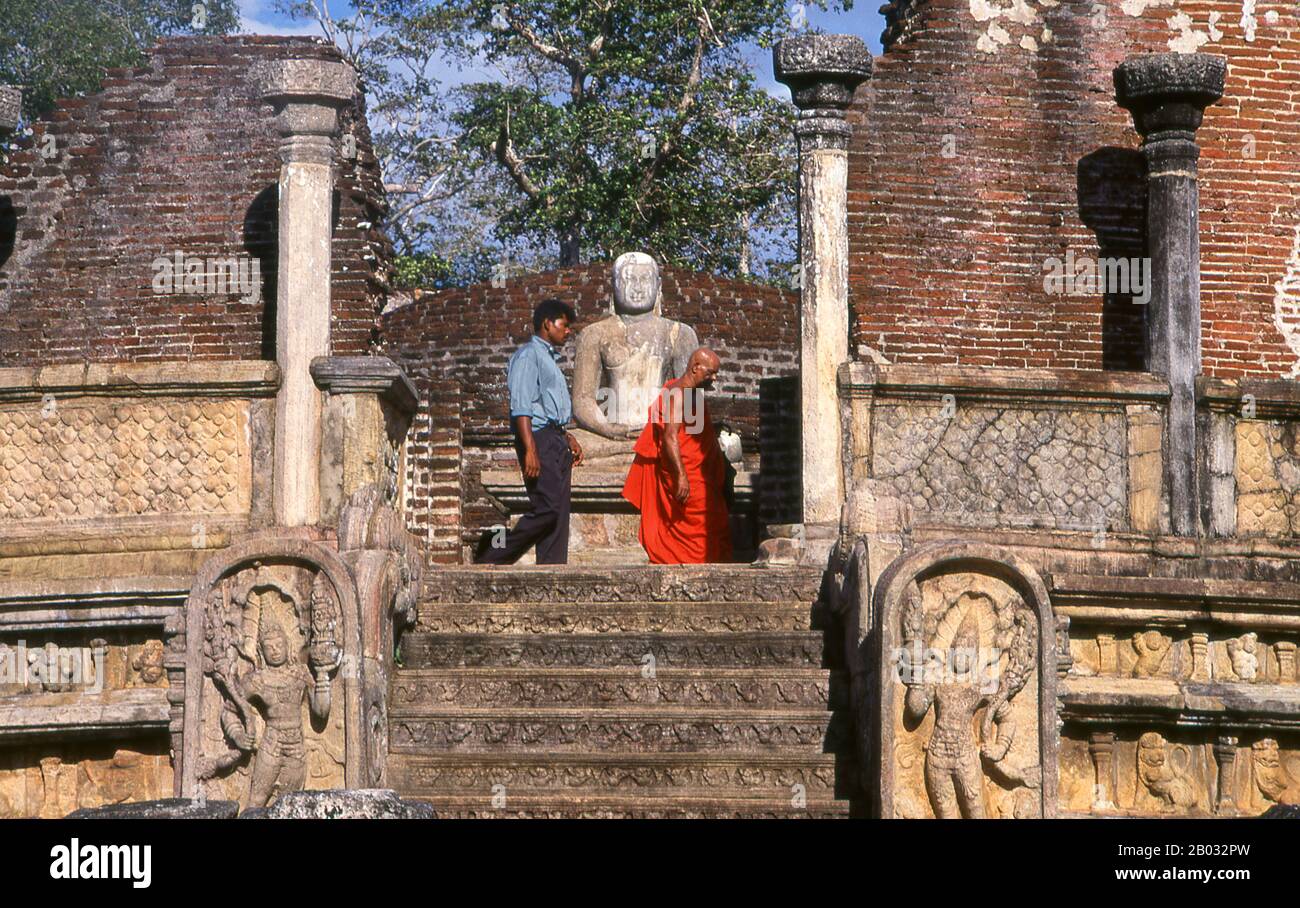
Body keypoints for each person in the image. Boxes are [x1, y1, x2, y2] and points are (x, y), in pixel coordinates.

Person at [475, 299, 584, 564]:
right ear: (548, 324)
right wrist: (530, 450)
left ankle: (552, 574)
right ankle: (492, 555)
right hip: (538, 439)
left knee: (558, 515)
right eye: (564, 325)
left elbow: (545, 407)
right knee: (547, 508)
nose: (568, 331)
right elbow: (521, 407)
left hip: (554, 438)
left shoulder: (549, 359)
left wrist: (567, 436)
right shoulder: (528, 356)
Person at [620, 347, 732, 564]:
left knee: (713, 524)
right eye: (710, 373)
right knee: (699, 531)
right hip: (689, 475)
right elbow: (670, 437)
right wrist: (681, 475)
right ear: (695, 368)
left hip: (702, 472)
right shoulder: (678, 394)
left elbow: (688, 429)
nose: (714, 378)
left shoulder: (690, 394)